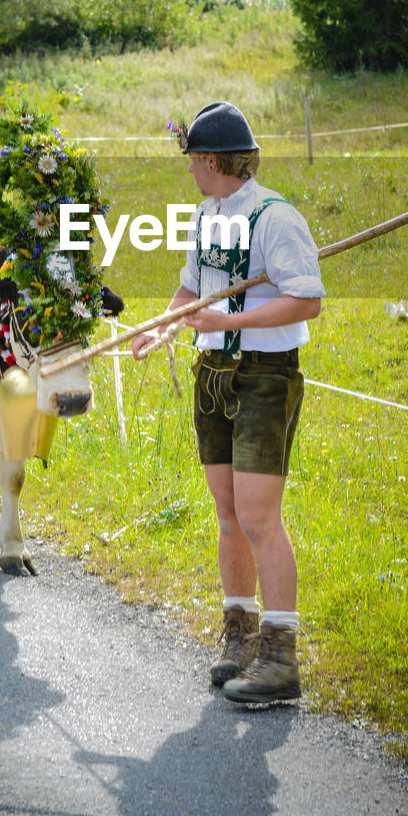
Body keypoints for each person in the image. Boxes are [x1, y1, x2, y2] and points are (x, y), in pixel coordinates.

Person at [132, 102, 324, 703]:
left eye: (193, 160)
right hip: (212, 372)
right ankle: (238, 636)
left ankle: (279, 658)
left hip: (265, 376)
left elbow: (306, 300)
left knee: (260, 517)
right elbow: (192, 286)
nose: (189, 169)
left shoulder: (277, 218)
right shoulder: (207, 214)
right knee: (229, 513)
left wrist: (229, 316)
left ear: (212, 159)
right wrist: (165, 325)